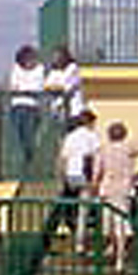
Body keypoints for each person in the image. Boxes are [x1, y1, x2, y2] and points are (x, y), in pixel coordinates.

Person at [94, 122, 138, 272]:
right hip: (123, 190)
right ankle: (120, 259)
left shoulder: (102, 150)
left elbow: (96, 172)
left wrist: (94, 187)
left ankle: (111, 247)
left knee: (108, 223)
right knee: (120, 224)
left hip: (107, 189)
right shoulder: (128, 148)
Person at [45, 110, 101, 251]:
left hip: (71, 175)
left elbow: (62, 159)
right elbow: (96, 157)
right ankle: (79, 243)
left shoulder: (70, 137)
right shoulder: (92, 136)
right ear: (89, 122)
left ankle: (58, 231)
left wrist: (61, 176)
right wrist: (95, 179)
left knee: (69, 206)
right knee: (83, 210)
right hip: (84, 175)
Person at [9, 44, 47, 172]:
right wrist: (25, 89)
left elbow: (38, 87)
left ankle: (30, 161)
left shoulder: (40, 69)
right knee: (18, 136)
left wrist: (24, 89)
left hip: (31, 107)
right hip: (17, 105)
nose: (29, 61)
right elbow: (14, 86)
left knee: (29, 136)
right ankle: (21, 162)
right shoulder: (16, 69)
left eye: (31, 58)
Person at [44, 45, 85, 126]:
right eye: (55, 57)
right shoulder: (54, 72)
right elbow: (47, 86)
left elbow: (70, 87)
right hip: (58, 111)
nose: (57, 59)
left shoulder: (73, 68)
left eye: (59, 57)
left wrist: (58, 88)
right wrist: (56, 88)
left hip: (73, 110)